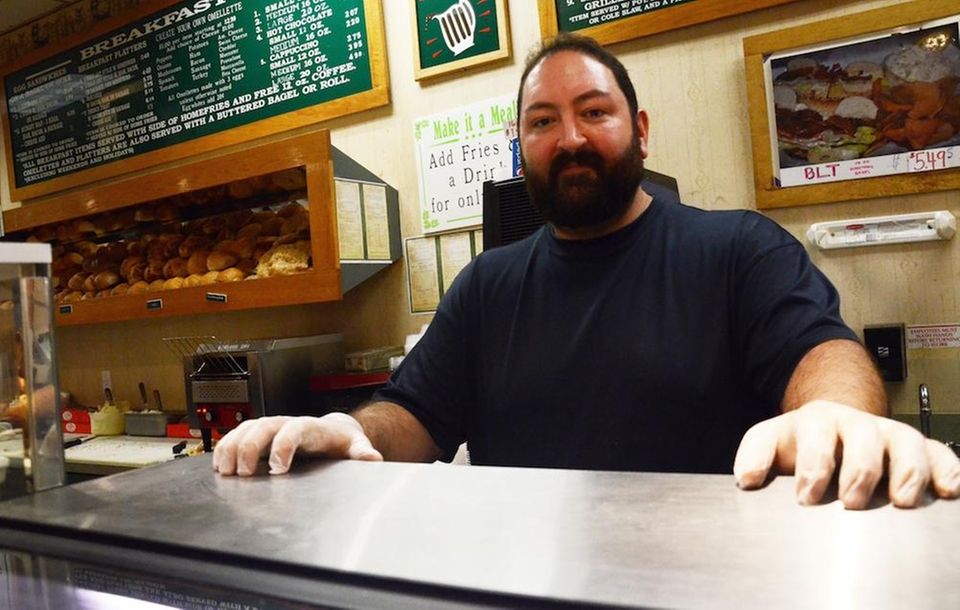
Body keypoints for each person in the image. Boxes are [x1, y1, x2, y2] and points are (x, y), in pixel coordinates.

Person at [214, 34, 960, 510]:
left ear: (638, 129)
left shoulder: (739, 249)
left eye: (594, 112)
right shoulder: (486, 286)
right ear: (521, 147)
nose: (568, 138)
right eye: (542, 122)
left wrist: (837, 413)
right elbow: (414, 414)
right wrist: (343, 429)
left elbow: (822, 355)